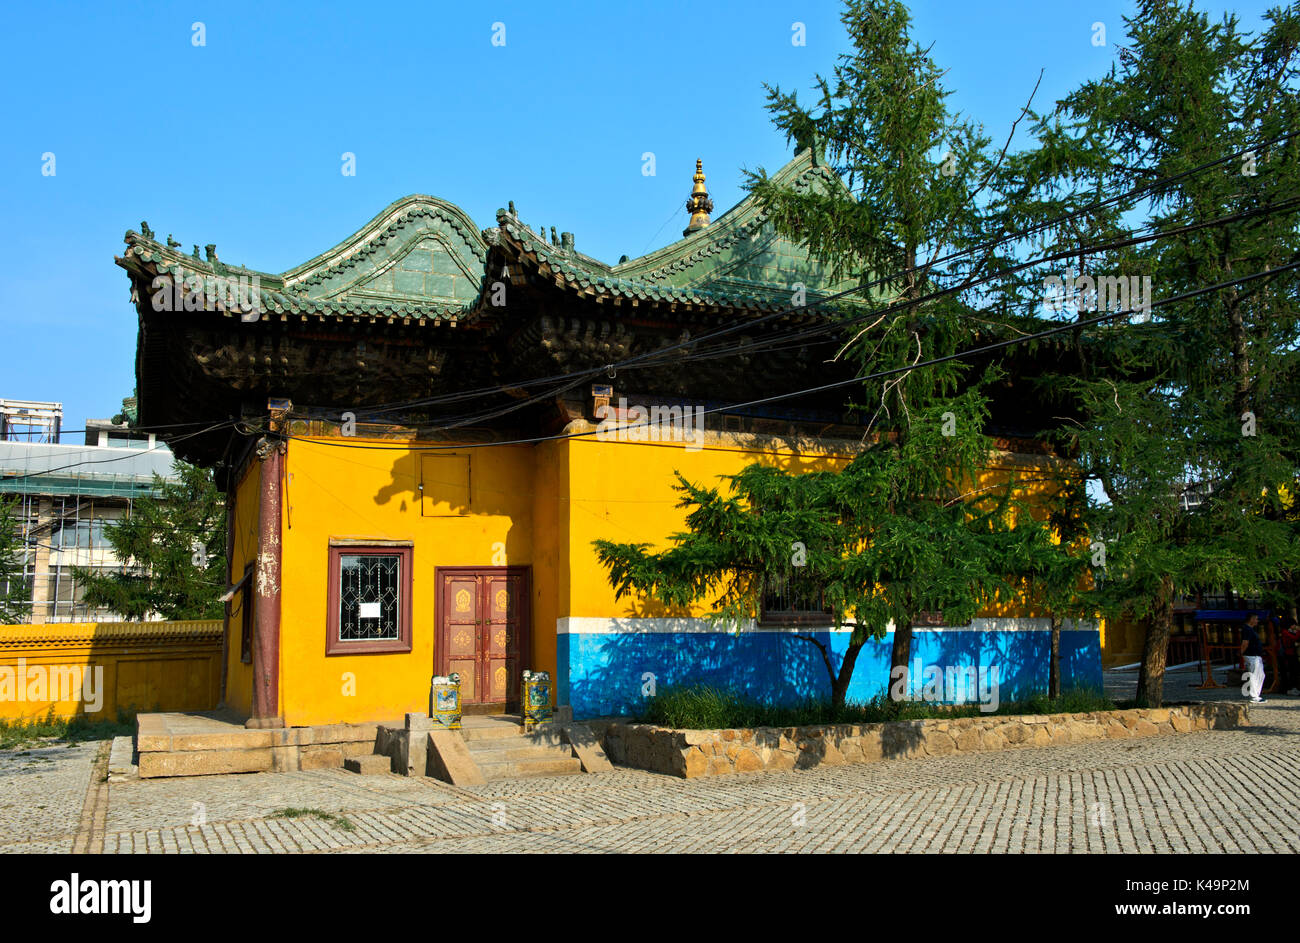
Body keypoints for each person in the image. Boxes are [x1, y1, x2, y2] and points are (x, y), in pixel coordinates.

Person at [1240, 613, 1266, 703]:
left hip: (1255, 655)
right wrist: (1242, 652)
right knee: (1254, 675)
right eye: (1256, 619)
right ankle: (1254, 695)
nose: (1257, 621)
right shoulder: (1247, 629)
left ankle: (1256, 694)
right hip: (1251, 655)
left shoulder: (1250, 629)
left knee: (1260, 675)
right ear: (1251, 619)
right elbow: (1245, 642)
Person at [1279, 616, 1300, 696]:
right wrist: (1298, 632)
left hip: (1291, 653)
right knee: (1291, 671)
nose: (1295, 626)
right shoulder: (1285, 631)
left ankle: (1293, 687)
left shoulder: (1288, 631)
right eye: (1294, 625)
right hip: (1288, 654)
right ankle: (1290, 688)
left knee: (1294, 671)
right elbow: (1294, 638)